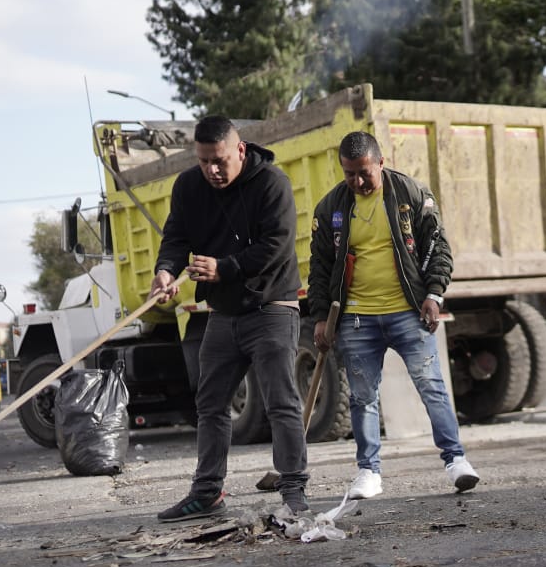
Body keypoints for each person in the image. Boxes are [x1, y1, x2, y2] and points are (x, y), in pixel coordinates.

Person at [148, 115, 310, 523]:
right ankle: (207, 493)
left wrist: (224, 268)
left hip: (273, 307)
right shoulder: (188, 186)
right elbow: (176, 238)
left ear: (239, 150)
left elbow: (277, 245)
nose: (212, 171)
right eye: (204, 162)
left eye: (219, 160)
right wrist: (166, 271)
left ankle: (294, 491)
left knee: (281, 402)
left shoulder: (272, 182)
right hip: (223, 313)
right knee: (210, 402)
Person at [307, 131, 479, 500]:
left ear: (380, 163)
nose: (356, 181)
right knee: (362, 397)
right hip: (355, 318)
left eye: (364, 173)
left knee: (431, 386)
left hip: (407, 313)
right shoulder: (331, 208)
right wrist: (321, 317)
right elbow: (319, 268)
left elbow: (438, 250)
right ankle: (368, 473)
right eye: (348, 173)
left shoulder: (411, 195)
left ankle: (456, 462)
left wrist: (433, 294)